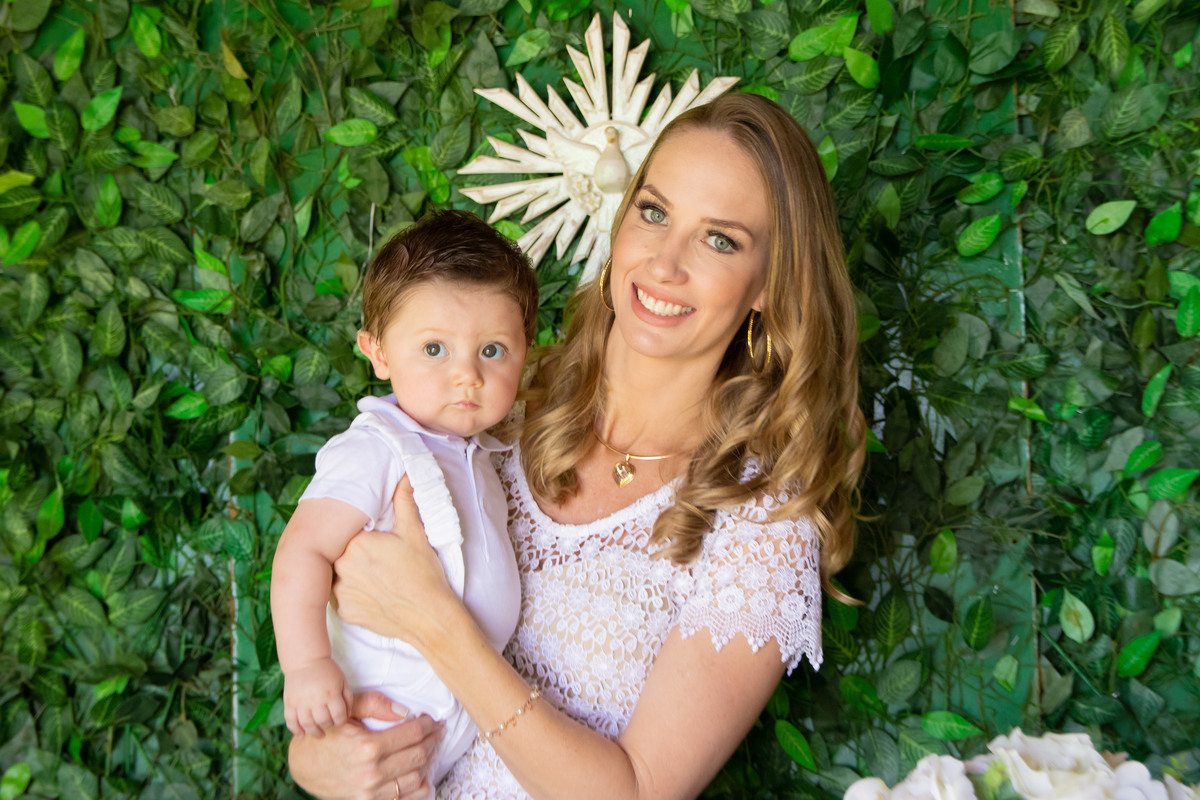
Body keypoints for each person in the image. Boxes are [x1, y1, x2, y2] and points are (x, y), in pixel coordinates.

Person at [288, 92, 866, 800]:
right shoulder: (491, 403)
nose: (664, 263)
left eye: (720, 239)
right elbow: (339, 615)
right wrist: (319, 759)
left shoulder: (760, 520)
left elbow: (639, 793)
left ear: (769, 286)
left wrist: (437, 623)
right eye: (654, 212)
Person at [270, 209, 540, 784]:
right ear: (379, 352)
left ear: (526, 351)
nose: (466, 375)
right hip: (380, 719)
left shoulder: (482, 453)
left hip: (454, 733)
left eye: (492, 351)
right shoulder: (376, 448)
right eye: (435, 350)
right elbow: (301, 552)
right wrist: (308, 665)